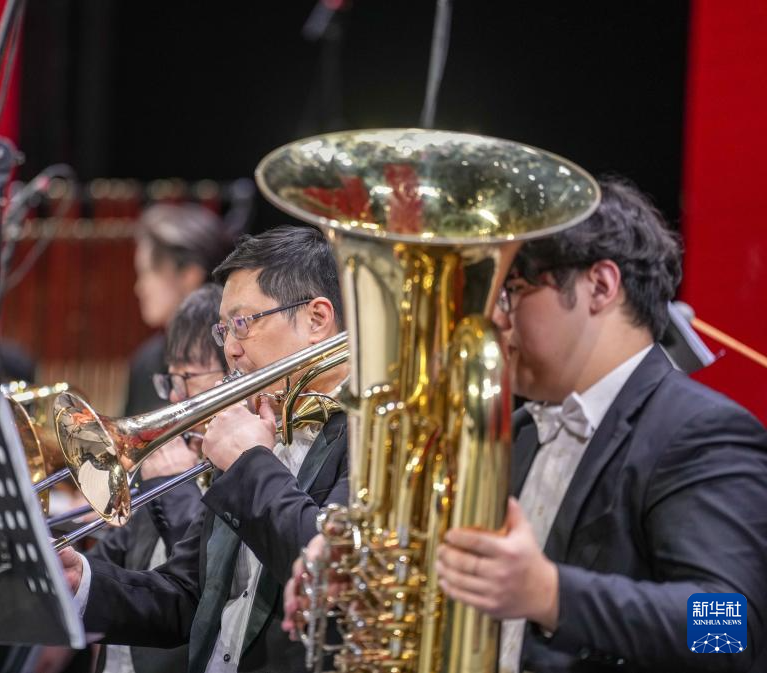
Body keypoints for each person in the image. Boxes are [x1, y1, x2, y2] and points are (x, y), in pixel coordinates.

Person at [285, 179, 767, 672]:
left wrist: (549, 593)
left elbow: (732, 631)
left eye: (513, 291)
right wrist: (364, 564)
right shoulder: (518, 432)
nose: (495, 320)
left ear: (601, 286)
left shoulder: (701, 431)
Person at [60, 225, 349, 673]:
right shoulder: (260, 425)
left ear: (316, 319)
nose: (230, 349)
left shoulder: (369, 436)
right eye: (224, 329)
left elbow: (329, 568)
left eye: (243, 323)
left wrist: (250, 463)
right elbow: (188, 596)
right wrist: (82, 581)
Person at [34, 285, 224, 673]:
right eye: (171, 380)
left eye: (188, 377)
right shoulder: (166, 468)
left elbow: (203, 587)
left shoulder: (230, 478)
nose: (175, 398)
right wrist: (68, 569)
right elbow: (108, 565)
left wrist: (175, 486)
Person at [125, 203, 237, 415]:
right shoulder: (145, 361)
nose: (139, 288)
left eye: (148, 272)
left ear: (189, 275)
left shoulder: (233, 351)